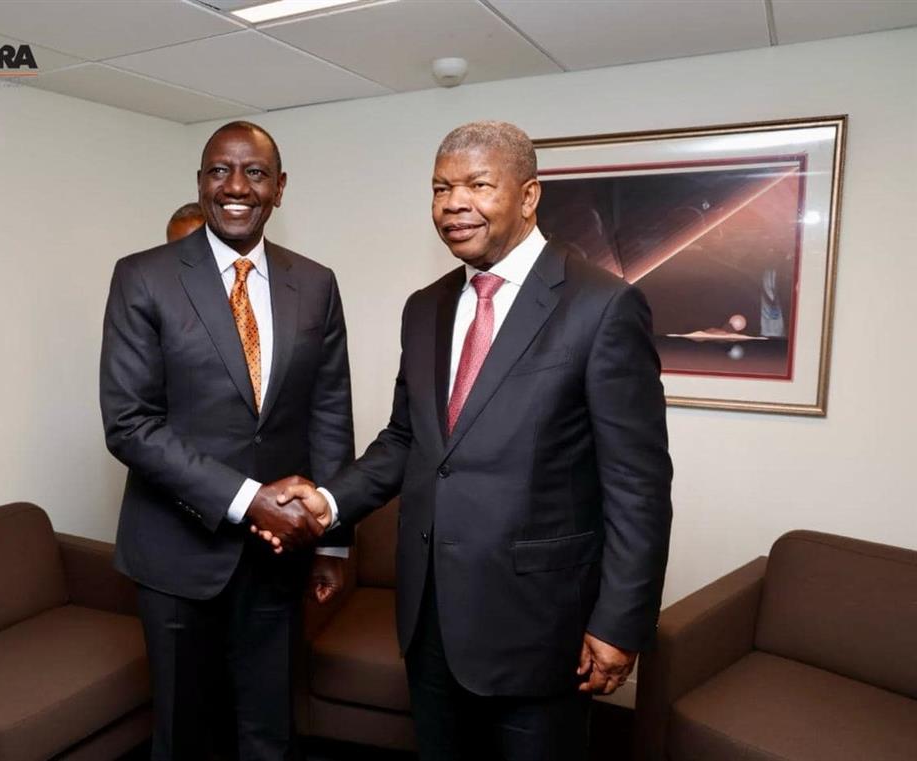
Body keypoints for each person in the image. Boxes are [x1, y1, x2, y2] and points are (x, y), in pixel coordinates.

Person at [275, 121, 672, 761]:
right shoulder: (424, 308)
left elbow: (638, 485)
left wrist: (619, 622)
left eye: (478, 185)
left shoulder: (602, 306)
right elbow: (406, 439)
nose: (454, 204)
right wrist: (328, 502)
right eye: (440, 189)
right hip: (429, 617)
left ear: (529, 195)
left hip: (540, 626)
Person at [100, 120, 354, 761]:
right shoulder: (143, 277)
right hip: (176, 553)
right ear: (201, 182)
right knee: (186, 733)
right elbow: (130, 423)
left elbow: (329, 413)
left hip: (279, 557)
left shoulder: (315, 283)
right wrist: (249, 499)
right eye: (220, 170)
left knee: (270, 730)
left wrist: (333, 542)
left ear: (279, 188)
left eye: (255, 173)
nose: (236, 186)